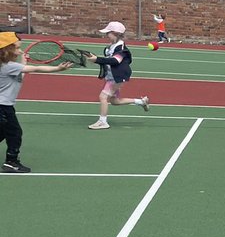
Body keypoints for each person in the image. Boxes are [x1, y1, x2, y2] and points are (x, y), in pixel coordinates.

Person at [1, 31, 74, 173]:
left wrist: (23, 62)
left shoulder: (7, 66)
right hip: (3, 107)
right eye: (16, 48)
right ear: (6, 50)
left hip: (4, 106)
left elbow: (19, 76)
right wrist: (57, 68)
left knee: (4, 132)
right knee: (15, 133)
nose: (20, 50)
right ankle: (11, 162)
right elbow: (36, 68)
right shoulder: (10, 67)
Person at [85, 21, 150, 130]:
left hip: (118, 76)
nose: (106, 35)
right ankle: (141, 102)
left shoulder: (120, 48)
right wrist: (96, 58)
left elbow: (115, 61)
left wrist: (97, 59)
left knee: (103, 97)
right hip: (112, 75)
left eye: (108, 32)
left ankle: (103, 122)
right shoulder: (111, 46)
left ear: (115, 33)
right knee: (114, 101)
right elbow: (108, 60)